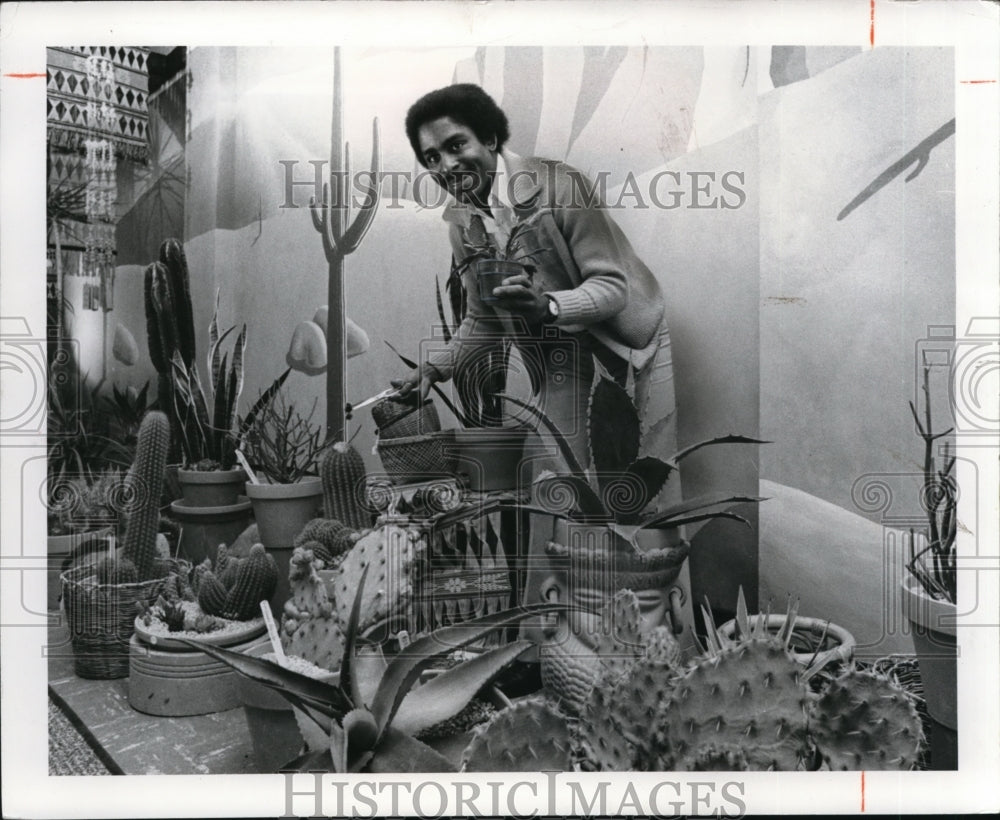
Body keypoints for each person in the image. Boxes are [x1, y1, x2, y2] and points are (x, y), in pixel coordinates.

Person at [394, 82, 677, 473]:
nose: (446, 165)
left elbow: (613, 289)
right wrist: (433, 368)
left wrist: (546, 306)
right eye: (432, 157)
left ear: (490, 139)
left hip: (632, 341)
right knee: (561, 478)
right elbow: (484, 318)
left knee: (641, 491)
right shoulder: (461, 224)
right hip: (564, 353)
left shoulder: (562, 185)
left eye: (456, 146)